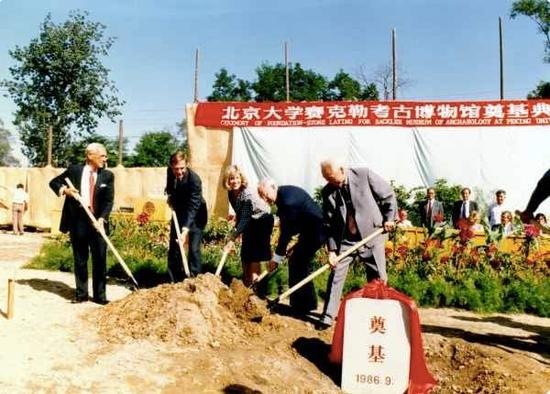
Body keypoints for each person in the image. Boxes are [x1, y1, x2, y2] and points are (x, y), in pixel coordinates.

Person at [317, 160, 396, 329]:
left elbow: (388, 194)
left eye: (333, 178)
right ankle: (328, 316)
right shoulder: (328, 191)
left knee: (378, 278)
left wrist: (389, 219)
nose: (332, 183)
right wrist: (331, 250)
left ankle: (378, 315)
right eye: (328, 180)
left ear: (341, 169)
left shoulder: (363, 174)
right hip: (346, 239)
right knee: (336, 273)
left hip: (371, 235)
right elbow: (328, 224)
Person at [49, 143, 113, 304]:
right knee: (80, 259)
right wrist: (66, 191)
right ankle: (81, 294)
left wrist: (101, 219)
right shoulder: (74, 171)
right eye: (103, 156)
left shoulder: (108, 175)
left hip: (97, 223)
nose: (105, 159)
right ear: (90, 155)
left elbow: (108, 201)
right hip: (78, 221)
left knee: (100, 260)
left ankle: (100, 296)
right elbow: (54, 182)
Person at [257, 178, 325, 314]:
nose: (265, 199)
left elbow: (286, 233)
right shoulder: (283, 196)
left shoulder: (287, 202)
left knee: (298, 262)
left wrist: (276, 259)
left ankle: (303, 306)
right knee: (297, 262)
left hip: (317, 232)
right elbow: (290, 227)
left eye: (266, 194)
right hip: (309, 231)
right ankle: (304, 304)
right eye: (262, 196)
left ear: (273, 187)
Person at [222, 165, 274, 286]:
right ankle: (246, 286)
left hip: (263, 220)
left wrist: (233, 237)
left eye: (237, 177)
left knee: (254, 255)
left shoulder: (247, 195)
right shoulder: (231, 193)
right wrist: (236, 231)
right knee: (245, 254)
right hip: (251, 220)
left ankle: (256, 289)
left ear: (241, 178)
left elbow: (244, 219)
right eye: (231, 178)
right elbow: (240, 214)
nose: (235, 181)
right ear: (227, 180)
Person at [165, 151, 207, 281]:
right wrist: (170, 196)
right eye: (176, 169)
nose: (179, 172)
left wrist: (185, 230)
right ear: (171, 167)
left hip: (196, 214)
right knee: (175, 246)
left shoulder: (195, 180)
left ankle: (195, 280)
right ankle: (174, 281)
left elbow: (193, 206)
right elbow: (170, 187)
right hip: (179, 211)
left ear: (187, 164)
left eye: (182, 168)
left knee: (193, 249)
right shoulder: (170, 172)